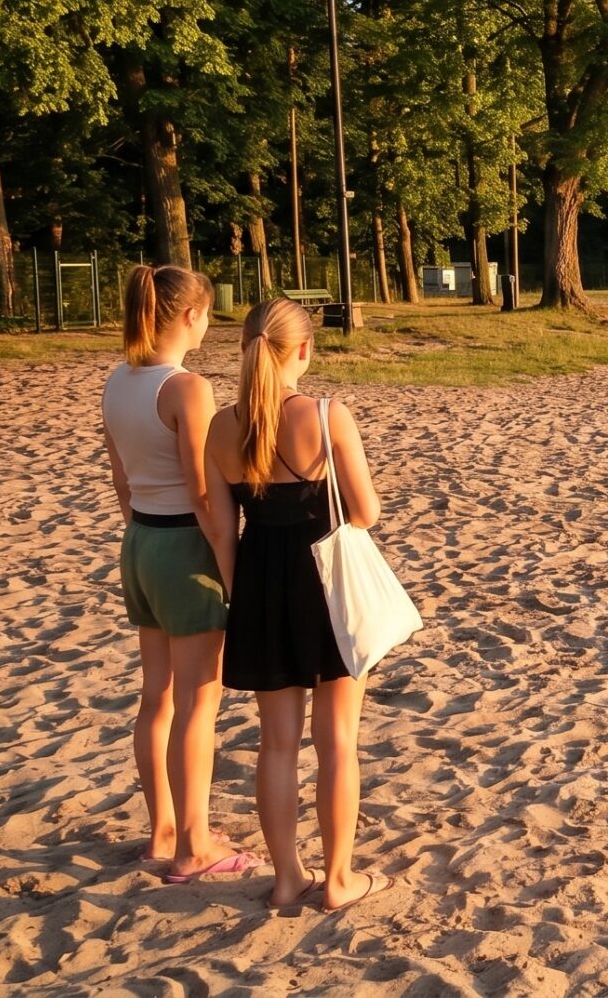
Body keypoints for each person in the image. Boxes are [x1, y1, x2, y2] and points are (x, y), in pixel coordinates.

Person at [207, 299, 393, 913]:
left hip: (259, 584)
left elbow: (221, 526)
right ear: (305, 350)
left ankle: (287, 878)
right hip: (324, 585)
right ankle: (338, 879)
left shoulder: (222, 428)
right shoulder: (326, 414)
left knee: (276, 744)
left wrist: (240, 595)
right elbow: (365, 513)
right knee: (337, 739)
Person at [102, 264, 251, 883]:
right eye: (208, 313)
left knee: (156, 696)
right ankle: (194, 845)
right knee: (198, 701)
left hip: (140, 540)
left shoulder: (118, 380)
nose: (209, 324)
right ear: (191, 316)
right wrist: (230, 568)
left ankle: (163, 829)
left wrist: (145, 535)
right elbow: (203, 491)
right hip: (185, 546)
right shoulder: (187, 388)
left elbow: (120, 478)